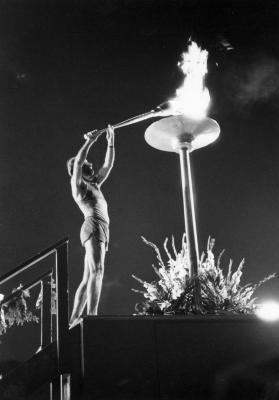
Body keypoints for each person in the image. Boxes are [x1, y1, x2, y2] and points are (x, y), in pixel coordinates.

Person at [67, 125, 115, 328]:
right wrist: (90, 141)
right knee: (98, 270)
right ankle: (92, 315)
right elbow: (78, 161)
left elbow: (108, 165)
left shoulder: (95, 184)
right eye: (88, 163)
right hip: (93, 226)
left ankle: (72, 321)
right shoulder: (79, 187)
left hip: (102, 229)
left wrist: (110, 141)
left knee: (88, 278)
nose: (90, 164)